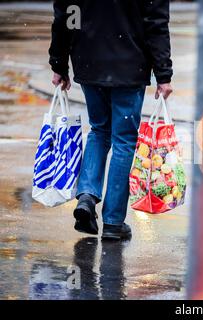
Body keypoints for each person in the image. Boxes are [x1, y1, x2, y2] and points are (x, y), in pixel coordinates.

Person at [49, 0, 173, 240]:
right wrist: (163, 74)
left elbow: (65, 15)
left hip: (89, 60)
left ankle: (86, 195)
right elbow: (156, 23)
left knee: (99, 130)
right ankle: (114, 222)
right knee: (124, 140)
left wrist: (59, 63)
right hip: (130, 63)